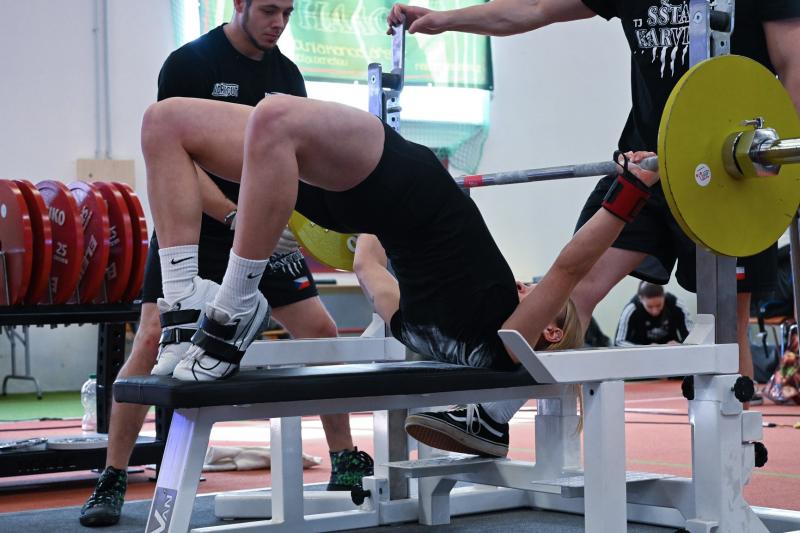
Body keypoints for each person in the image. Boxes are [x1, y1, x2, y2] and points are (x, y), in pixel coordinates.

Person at [138, 76, 659, 457]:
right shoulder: (419, 331)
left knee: (273, 114)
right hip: (355, 198)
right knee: (165, 123)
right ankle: (184, 304)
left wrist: (629, 191)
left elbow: (567, 270)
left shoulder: (506, 340)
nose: (527, 286)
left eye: (534, 294)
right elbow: (366, 266)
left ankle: (233, 305)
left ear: (549, 330)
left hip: (393, 182)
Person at [386, 0, 800, 410]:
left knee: (724, 324)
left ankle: (732, 447)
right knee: (568, 298)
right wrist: (445, 19)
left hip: (729, 172)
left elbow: (793, 63)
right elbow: (535, 7)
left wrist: (781, 163)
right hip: (646, 165)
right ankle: (495, 416)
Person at [79, 1, 371, 527]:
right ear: (238, 4)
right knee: (152, 336)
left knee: (320, 331)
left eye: (287, 13)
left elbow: (296, 162)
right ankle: (113, 475)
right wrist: (234, 215)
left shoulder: (287, 76)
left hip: (259, 230)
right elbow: (175, 160)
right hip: (195, 227)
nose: (278, 23)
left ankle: (344, 456)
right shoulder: (190, 64)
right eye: (268, 10)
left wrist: (303, 226)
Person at [614, 281, 691, 346]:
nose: (655, 311)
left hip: (673, 353)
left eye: (659, 305)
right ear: (640, 300)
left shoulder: (676, 304)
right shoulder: (631, 309)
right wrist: (645, 348)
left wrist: (679, 345)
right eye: (649, 307)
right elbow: (619, 342)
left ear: (664, 296)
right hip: (641, 356)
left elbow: (691, 338)